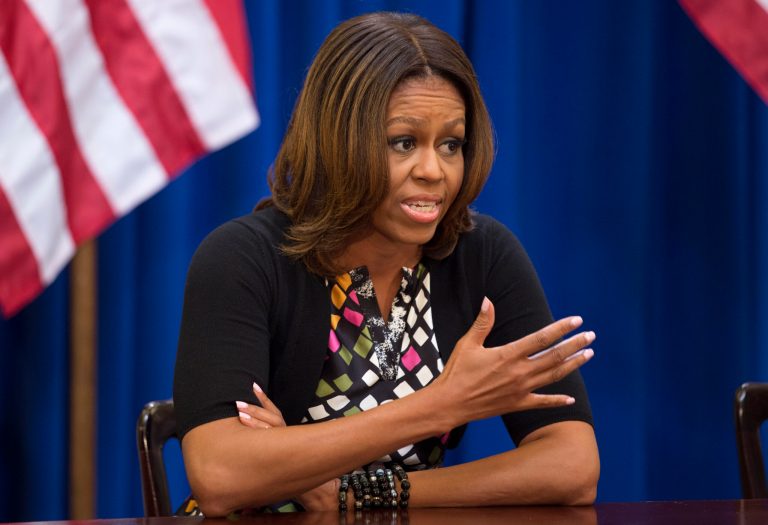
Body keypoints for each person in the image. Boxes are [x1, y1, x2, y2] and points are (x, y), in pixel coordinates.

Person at [173, 11, 599, 517]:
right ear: (338, 140)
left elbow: (572, 465)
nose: (432, 170)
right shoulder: (245, 257)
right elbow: (222, 475)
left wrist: (355, 493)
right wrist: (440, 405)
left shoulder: (480, 254)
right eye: (403, 143)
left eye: (451, 145)